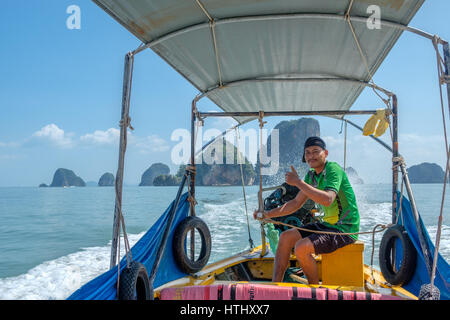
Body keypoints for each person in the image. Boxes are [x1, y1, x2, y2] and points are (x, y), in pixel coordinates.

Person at [253, 136, 360, 284]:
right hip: (327, 226)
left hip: (345, 228)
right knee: (285, 237)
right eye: (307, 153)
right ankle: (276, 284)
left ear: (326, 153)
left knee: (301, 247)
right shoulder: (311, 175)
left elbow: (328, 200)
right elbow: (296, 203)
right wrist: (267, 214)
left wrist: (298, 182)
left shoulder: (333, 169)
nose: (311, 156)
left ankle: (314, 290)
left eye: (316, 151)